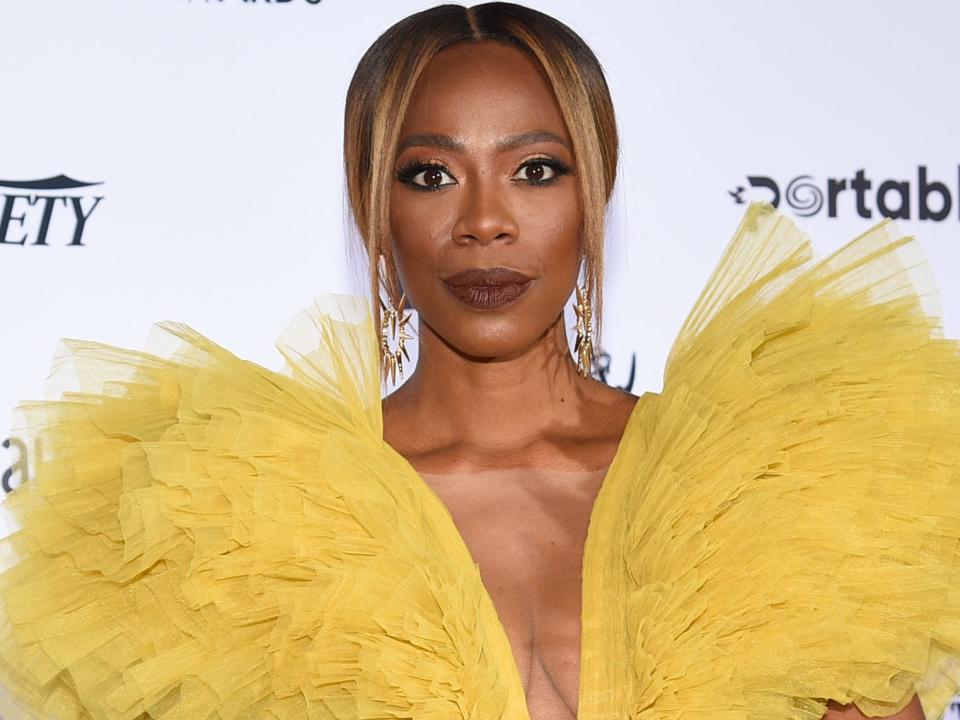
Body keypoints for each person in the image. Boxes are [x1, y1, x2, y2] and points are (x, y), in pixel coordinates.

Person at [0, 2, 958, 719]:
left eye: (537, 169)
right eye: (431, 175)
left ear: (596, 193)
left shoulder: (770, 485)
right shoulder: (239, 532)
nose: (485, 220)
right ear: (376, 209)